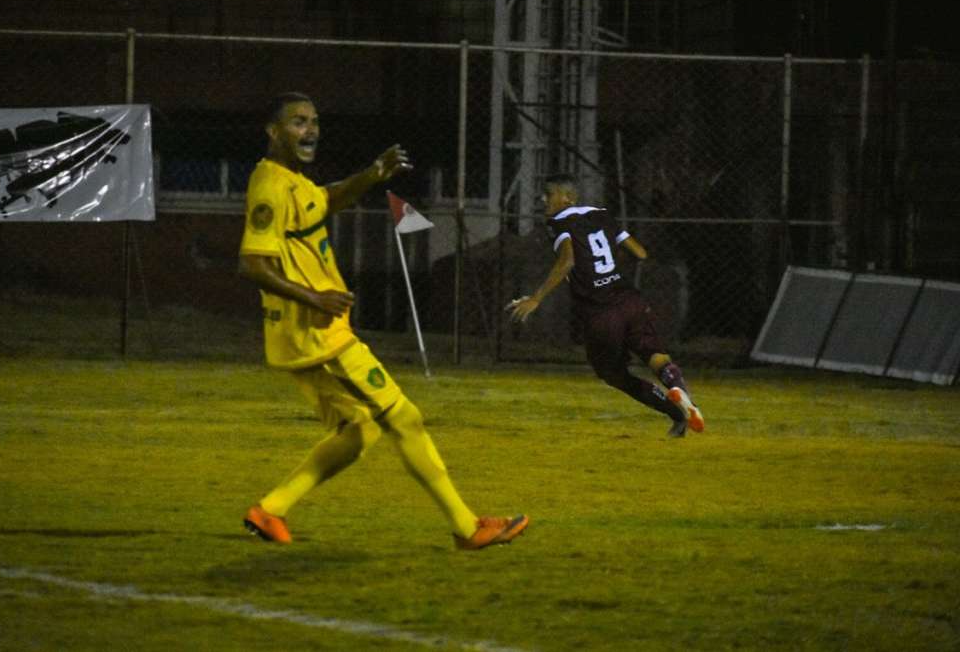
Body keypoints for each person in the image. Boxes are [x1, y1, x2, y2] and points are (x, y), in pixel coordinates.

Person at [238, 92, 528, 549]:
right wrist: (315, 296)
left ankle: (270, 509)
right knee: (405, 418)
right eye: (297, 122)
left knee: (358, 432)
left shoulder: (293, 182)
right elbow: (253, 264)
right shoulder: (271, 186)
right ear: (273, 132)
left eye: (313, 121)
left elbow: (326, 200)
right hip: (316, 334)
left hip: (308, 332)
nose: (310, 129)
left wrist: (372, 174)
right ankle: (467, 526)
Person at [506, 173, 704, 438]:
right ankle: (682, 395)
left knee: (612, 373)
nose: (543, 199)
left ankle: (675, 411)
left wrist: (536, 298)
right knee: (655, 355)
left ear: (567, 197)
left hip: (601, 311)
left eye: (548, 193)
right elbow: (640, 253)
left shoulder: (558, 222)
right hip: (629, 299)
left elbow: (567, 260)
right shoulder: (602, 214)